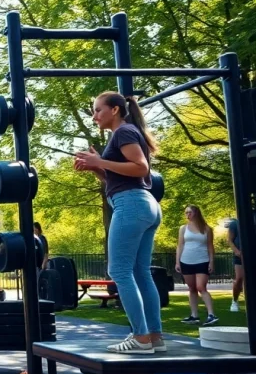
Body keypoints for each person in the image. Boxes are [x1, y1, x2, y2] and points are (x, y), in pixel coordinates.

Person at [74, 91, 164, 354]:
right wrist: (97, 168)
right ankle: (154, 336)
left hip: (131, 205)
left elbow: (141, 168)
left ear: (114, 110)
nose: (94, 116)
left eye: (97, 110)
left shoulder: (123, 132)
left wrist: (100, 160)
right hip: (143, 204)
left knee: (120, 272)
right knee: (140, 272)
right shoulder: (127, 132)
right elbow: (122, 178)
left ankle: (140, 338)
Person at [177, 205, 218, 325]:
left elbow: (210, 246)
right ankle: (194, 315)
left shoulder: (207, 229)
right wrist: (177, 261)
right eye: (186, 213)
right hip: (186, 260)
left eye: (190, 212)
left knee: (201, 287)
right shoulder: (183, 228)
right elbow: (180, 245)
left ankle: (211, 314)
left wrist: (211, 262)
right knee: (192, 288)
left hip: (202, 260)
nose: (187, 215)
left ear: (196, 213)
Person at [227, 218, 245, 312]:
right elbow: (230, 240)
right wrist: (237, 252)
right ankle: (234, 301)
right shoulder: (235, 223)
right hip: (240, 256)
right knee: (239, 278)